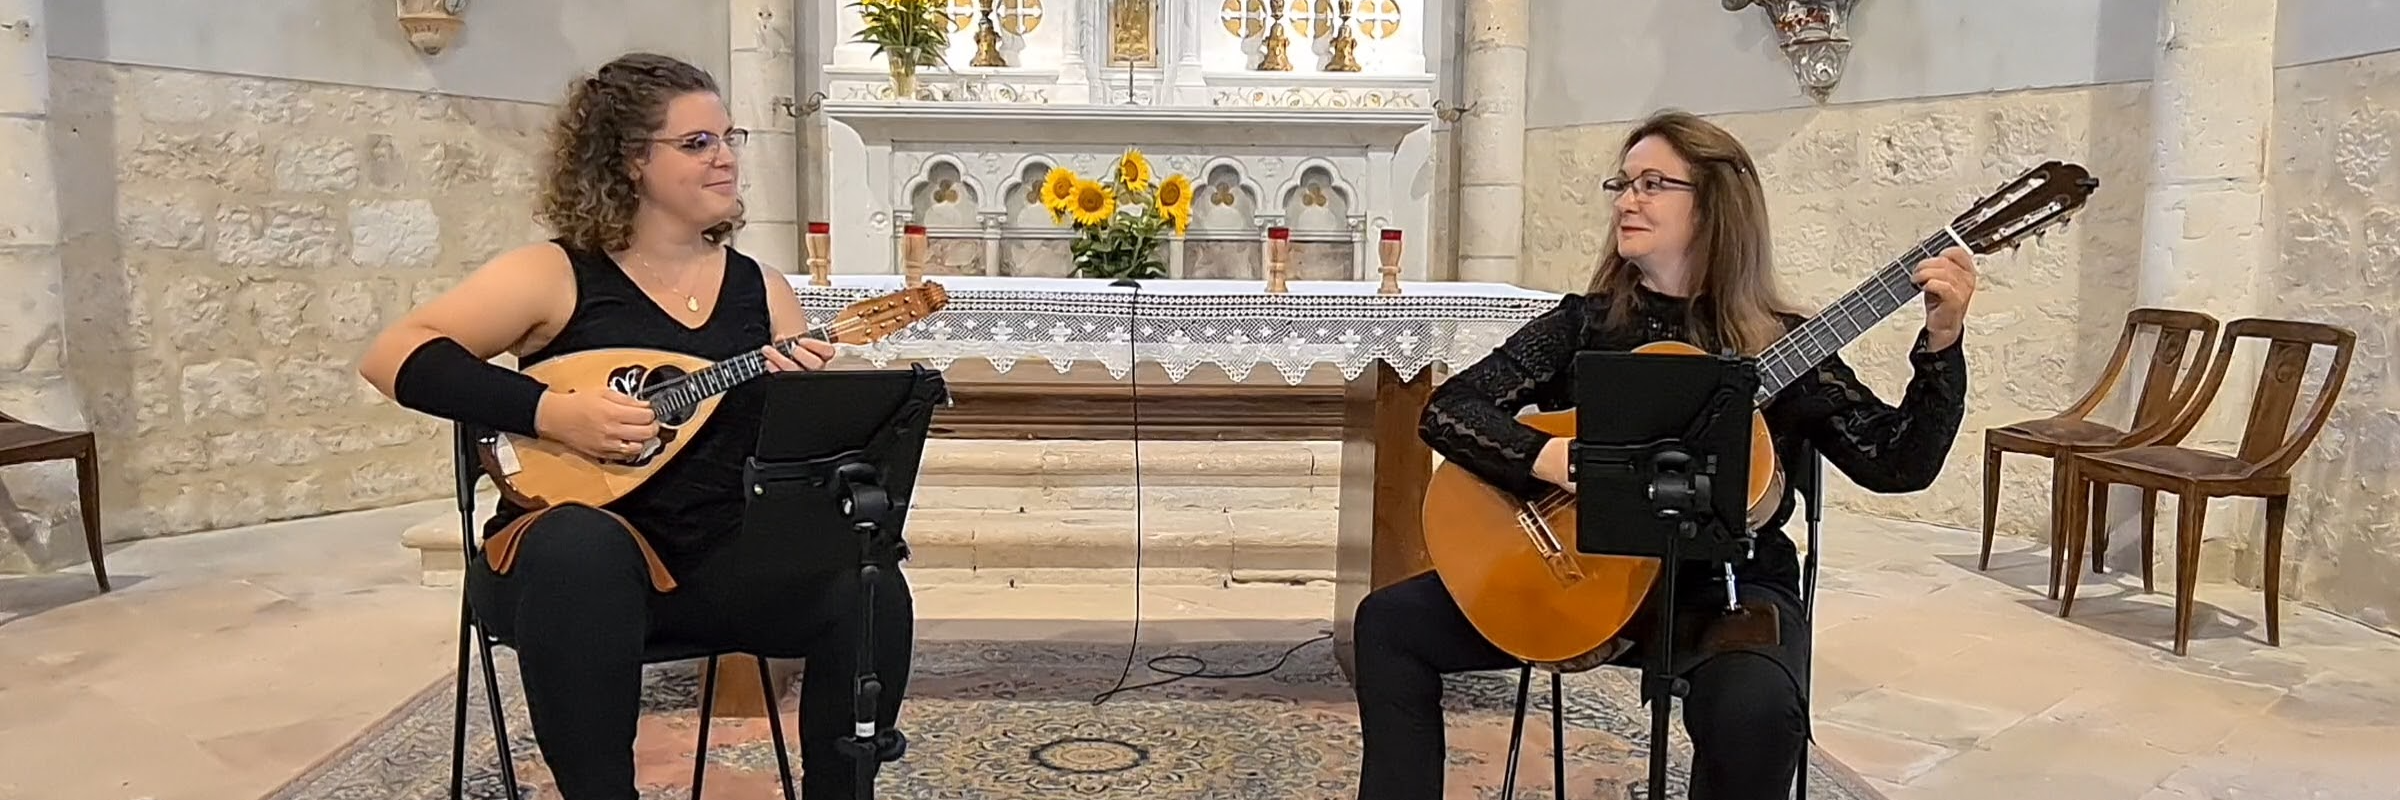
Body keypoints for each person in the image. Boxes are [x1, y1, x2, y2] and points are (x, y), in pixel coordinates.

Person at [1350, 110, 1974, 799]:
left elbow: (1896, 464)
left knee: (1755, 710)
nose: (1627, 200)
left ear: (1713, 209)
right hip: (1577, 575)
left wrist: (1940, 344)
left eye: (1653, 184)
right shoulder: (1585, 324)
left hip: (1724, 594)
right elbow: (1450, 411)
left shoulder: (1785, 347)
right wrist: (1555, 459)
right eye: (1624, 183)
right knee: (1389, 624)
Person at [355, 53, 911, 800]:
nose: (726, 159)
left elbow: (792, 460)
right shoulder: (555, 274)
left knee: (866, 584)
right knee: (582, 549)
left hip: (714, 563)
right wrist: (551, 411)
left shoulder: (762, 291)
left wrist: (805, 405)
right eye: (698, 143)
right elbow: (393, 356)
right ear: (630, 161)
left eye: (729, 137)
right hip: (562, 571)